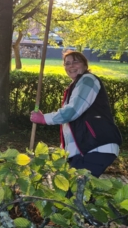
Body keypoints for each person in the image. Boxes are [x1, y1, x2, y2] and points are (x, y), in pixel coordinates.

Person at [30, 50, 122, 178]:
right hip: (84, 149)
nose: (71, 66)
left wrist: (44, 118)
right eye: (67, 63)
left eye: (75, 62)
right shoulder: (75, 86)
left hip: (96, 147)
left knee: (76, 187)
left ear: (85, 65)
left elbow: (72, 111)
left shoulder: (88, 80)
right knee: (76, 187)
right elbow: (70, 127)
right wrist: (64, 151)